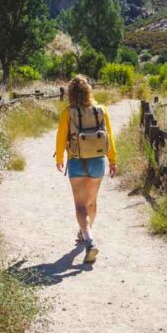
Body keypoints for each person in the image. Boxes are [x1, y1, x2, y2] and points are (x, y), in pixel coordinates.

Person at [55, 75, 117, 264]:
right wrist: (113, 160)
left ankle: (89, 240)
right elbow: (110, 137)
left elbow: (60, 137)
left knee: (80, 205)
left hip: (76, 160)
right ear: (89, 91)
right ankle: (85, 233)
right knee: (92, 202)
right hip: (98, 160)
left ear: (70, 94)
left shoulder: (68, 113)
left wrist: (59, 158)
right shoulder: (102, 110)